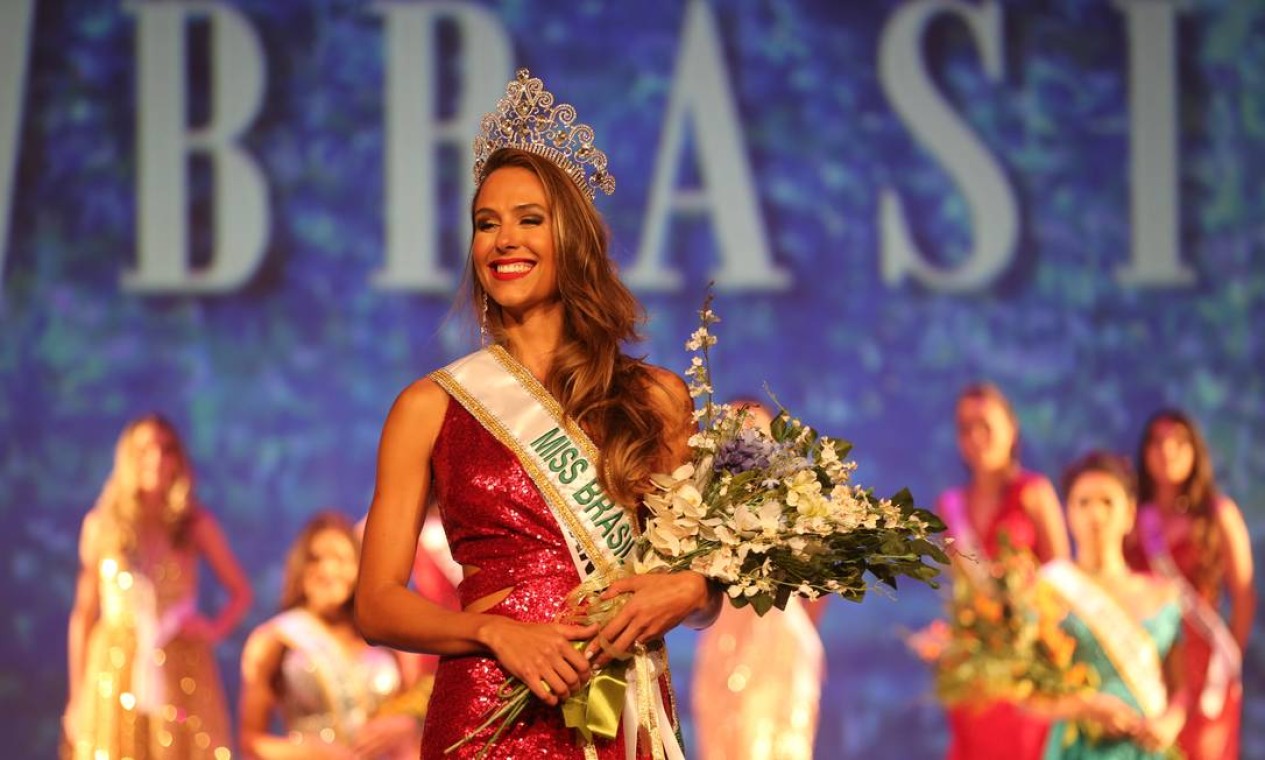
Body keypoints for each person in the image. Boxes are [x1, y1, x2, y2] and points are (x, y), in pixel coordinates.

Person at [354, 68, 720, 760]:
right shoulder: (429, 406)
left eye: (529, 219)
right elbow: (375, 604)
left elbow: (697, 590)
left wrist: (690, 589)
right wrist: (493, 632)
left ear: (574, 238)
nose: (502, 241)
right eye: (485, 223)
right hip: (488, 712)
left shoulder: (656, 399)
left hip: (625, 708)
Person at [64, 414, 251, 760]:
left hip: (179, 665)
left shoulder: (194, 523)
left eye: (166, 449)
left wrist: (211, 630)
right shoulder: (102, 526)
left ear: (177, 460)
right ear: (127, 458)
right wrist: (78, 698)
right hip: (115, 667)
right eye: (144, 449)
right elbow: (83, 615)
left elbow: (241, 592)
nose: (156, 459)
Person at [937, 383, 1070, 760]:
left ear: (1011, 429)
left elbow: (1062, 580)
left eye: (986, 425)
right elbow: (959, 591)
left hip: (1027, 666)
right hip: (975, 666)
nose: (976, 437)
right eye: (965, 428)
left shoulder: (1034, 492)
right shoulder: (950, 506)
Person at [691, 400, 827, 760]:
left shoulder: (800, 500)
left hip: (780, 642)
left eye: (757, 429)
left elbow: (820, 587)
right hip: (721, 642)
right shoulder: (699, 504)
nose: (746, 438)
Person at [1035, 451, 1188, 759]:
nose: (1096, 515)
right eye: (1083, 502)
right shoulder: (1048, 589)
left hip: (1146, 749)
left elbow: (1180, 689)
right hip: (1078, 747)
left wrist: (1171, 722)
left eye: (1107, 502)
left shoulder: (1162, 593)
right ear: (1068, 513)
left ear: (1130, 513)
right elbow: (1026, 695)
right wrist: (1086, 707)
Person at [239, 511, 423, 760]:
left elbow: (413, 717)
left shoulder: (386, 638)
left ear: (359, 568)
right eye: (315, 559)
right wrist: (306, 753)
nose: (328, 569)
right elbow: (251, 742)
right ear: (300, 568)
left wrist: (407, 723)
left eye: (341, 559)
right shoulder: (276, 638)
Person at [1124, 410, 1253, 759]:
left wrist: (1229, 656)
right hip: (1147, 662)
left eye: (1179, 441)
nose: (1167, 451)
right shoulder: (1131, 518)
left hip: (1206, 667)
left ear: (1196, 450)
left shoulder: (1218, 515)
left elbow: (1243, 595)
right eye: (1157, 442)